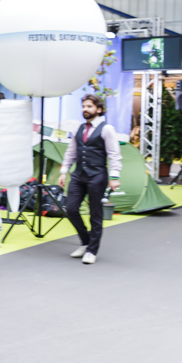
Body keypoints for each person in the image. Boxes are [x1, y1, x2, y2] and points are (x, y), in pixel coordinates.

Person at [58, 94, 122, 265]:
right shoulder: (79, 128)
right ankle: (86, 242)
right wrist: (64, 171)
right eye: (84, 106)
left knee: (95, 214)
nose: (85, 109)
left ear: (98, 109)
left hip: (97, 176)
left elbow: (114, 154)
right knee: (70, 209)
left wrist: (114, 177)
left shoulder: (107, 129)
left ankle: (92, 250)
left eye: (89, 107)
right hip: (78, 175)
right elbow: (71, 151)